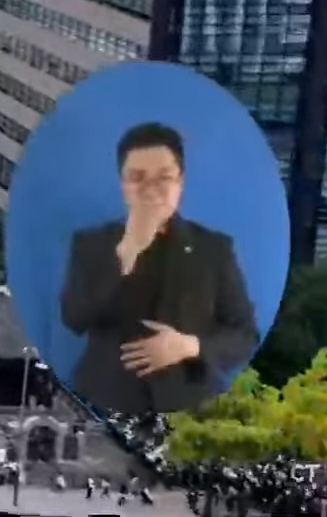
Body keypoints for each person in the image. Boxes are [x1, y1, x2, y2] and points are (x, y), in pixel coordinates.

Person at [58, 122, 258, 414]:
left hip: (190, 403)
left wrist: (191, 346)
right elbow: (74, 319)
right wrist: (127, 252)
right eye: (137, 178)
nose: (151, 190)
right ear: (122, 183)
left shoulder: (214, 249)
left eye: (164, 178)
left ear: (181, 182)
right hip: (105, 401)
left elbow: (245, 334)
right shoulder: (91, 244)